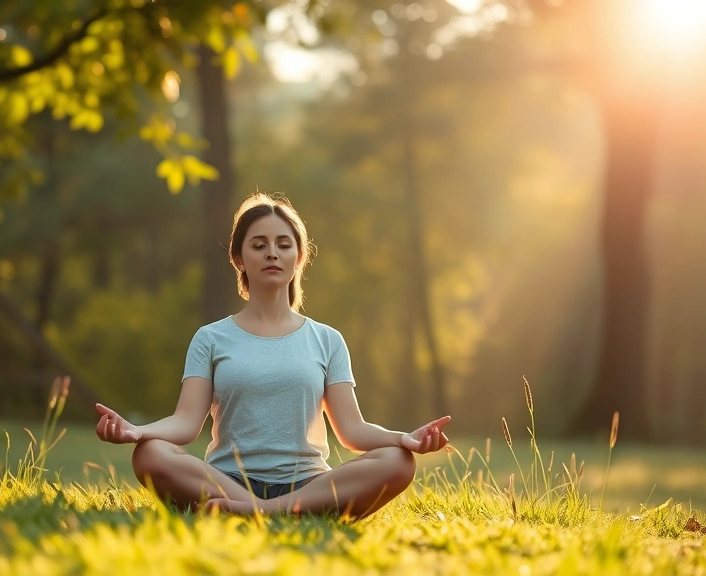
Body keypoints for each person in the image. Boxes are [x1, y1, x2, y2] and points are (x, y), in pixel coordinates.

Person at [94, 192, 451, 518]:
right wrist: (136, 432)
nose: (272, 253)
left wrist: (404, 439)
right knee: (150, 454)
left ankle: (262, 512)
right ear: (239, 259)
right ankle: (277, 511)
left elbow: (352, 430)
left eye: (283, 244)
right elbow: (185, 423)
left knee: (398, 461)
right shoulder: (211, 338)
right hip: (227, 481)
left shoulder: (327, 340)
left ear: (299, 258)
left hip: (308, 483)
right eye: (259, 245)